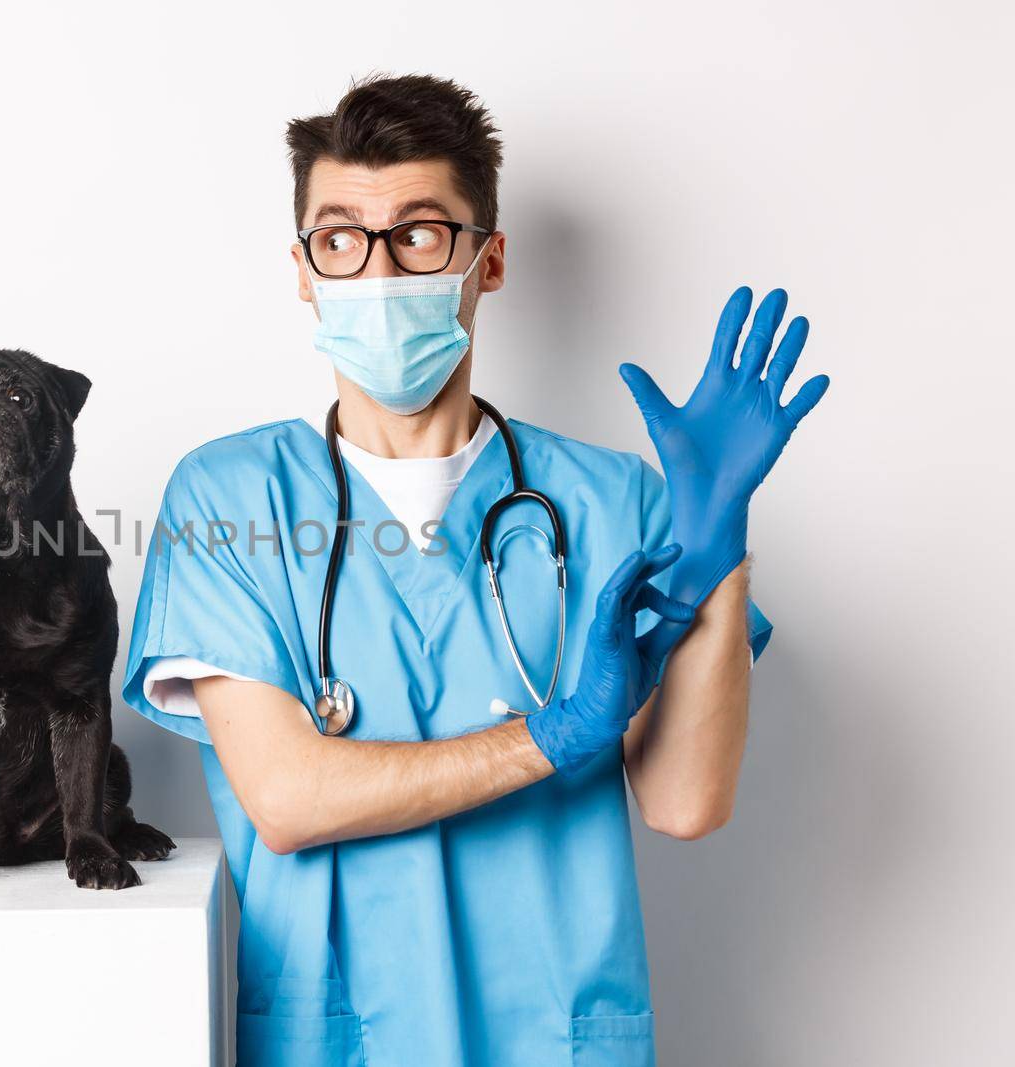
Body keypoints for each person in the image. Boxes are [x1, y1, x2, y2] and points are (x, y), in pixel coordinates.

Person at [121, 73, 828, 1067]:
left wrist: (719, 553)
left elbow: (682, 802)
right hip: (338, 1038)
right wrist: (555, 735)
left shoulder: (613, 500)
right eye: (340, 238)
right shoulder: (230, 498)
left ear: (486, 261)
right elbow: (287, 799)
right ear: (302, 269)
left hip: (556, 1030)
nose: (376, 270)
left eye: (418, 233)